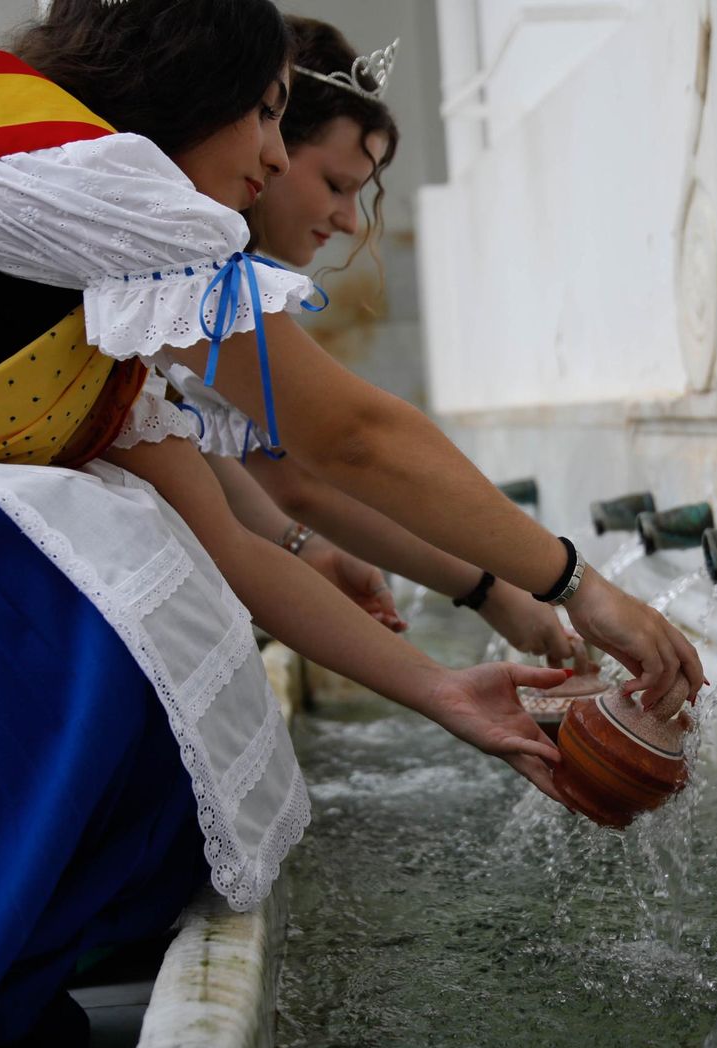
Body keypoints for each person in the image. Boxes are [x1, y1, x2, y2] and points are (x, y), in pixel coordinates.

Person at [0, 1, 698, 1048]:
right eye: (266, 113)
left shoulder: (75, 266)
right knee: (111, 609)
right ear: (187, 85)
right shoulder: (105, 189)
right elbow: (343, 439)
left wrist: (443, 690)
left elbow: (230, 544)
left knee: (147, 565)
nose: (270, 151)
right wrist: (575, 584)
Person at [174, 14, 578, 664]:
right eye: (336, 185)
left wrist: (305, 549)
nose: (348, 218)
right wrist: (535, 586)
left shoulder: (205, 269)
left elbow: (242, 470)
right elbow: (339, 455)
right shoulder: (183, 267)